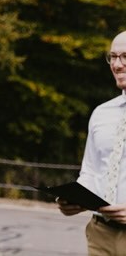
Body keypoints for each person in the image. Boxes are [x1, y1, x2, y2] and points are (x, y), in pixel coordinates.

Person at [57, 30, 126, 254]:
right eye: (113, 57)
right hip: (100, 234)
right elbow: (91, 171)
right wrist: (74, 199)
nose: (117, 65)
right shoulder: (101, 114)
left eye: (125, 57)